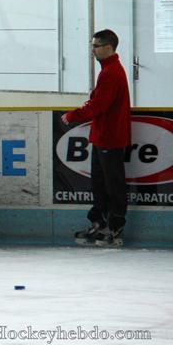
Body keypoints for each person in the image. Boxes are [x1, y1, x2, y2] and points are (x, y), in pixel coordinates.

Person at [62, 29, 131, 247]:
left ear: (108, 47)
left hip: (111, 137)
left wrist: (73, 116)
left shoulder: (112, 72)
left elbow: (99, 104)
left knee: (113, 184)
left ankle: (116, 227)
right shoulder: (107, 71)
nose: (93, 50)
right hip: (102, 137)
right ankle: (99, 222)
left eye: (96, 45)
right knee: (99, 183)